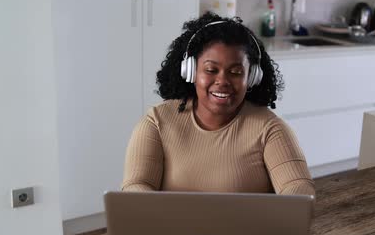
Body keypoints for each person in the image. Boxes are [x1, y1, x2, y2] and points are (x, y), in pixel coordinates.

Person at [121, 12, 315, 196]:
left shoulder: (271, 129)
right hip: (172, 230)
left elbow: (298, 186)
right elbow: (136, 184)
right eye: (211, 69)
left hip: (245, 231)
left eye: (236, 72)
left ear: (252, 77)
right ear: (191, 71)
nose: (222, 81)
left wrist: (292, 199)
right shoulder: (157, 122)